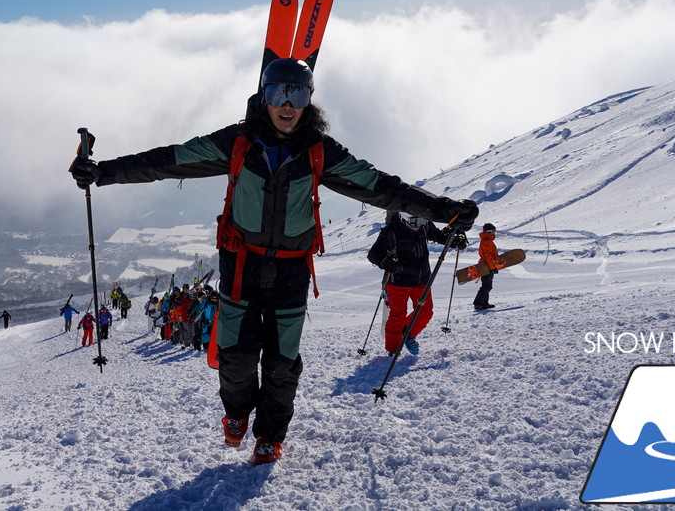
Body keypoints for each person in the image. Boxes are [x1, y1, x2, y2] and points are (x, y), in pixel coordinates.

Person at [71, 57, 478, 466]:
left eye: (297, 93)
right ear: (263, 96)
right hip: (240, 265)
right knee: (235, 358)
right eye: (279, 92)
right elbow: (169, 159)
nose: (288, 103)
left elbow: (381, 187)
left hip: (290, 270)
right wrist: (102, 172)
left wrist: (441, 210)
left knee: (283, 364)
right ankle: (236, 415)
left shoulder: (320, 151)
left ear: (309, 100)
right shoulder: (238, 142)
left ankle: (269, 436)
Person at [368, 212, 467, 355]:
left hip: (422, 278)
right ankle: (393, 351)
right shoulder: (392, 230)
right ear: (404, 218)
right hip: (399, 281)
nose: (420, 225)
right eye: (415, 222)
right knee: (397, 315)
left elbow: (439, 236)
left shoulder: (423, 224)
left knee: (425, 312)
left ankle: (407, 333)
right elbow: (373, 254)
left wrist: (454, 240)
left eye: (422, 220)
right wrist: (384, 262)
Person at [474, 223, 504, 310]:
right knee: (487, 286)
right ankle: (478, 303)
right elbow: (488, 256)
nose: (494, 233)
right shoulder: (487, 241)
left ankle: (484, 303)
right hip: (486, 266)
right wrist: (492, 267)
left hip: (487, 265)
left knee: (486, 284)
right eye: (493, 231)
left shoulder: (487, 240)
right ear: (489, 231)